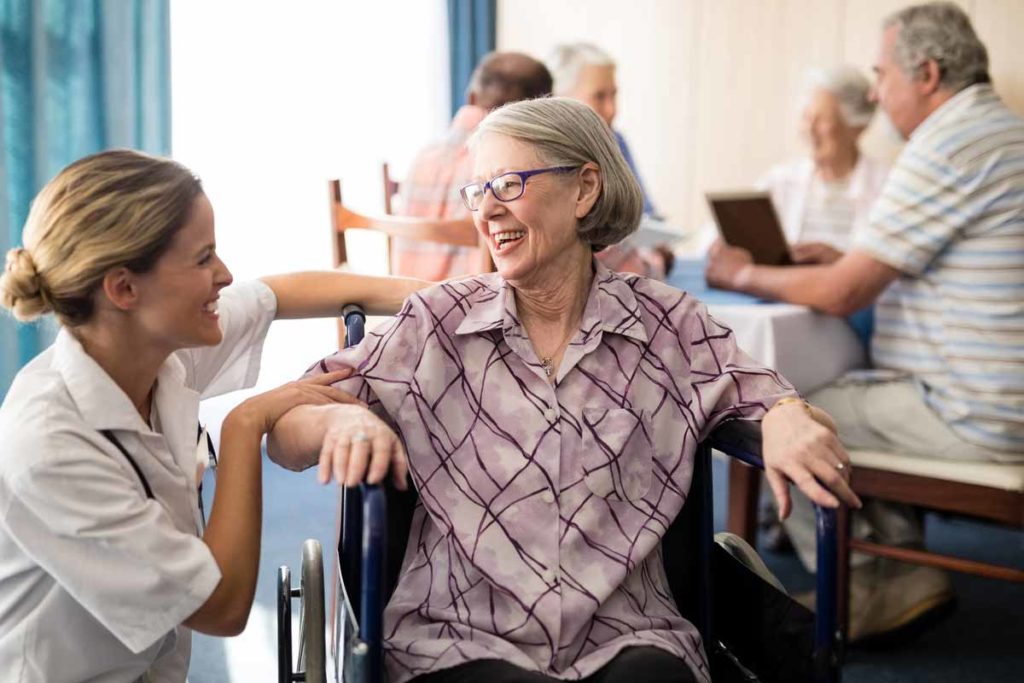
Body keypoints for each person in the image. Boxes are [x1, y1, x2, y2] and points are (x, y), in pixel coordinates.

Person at [268, 97, 861, 683]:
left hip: (629, 631)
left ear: (584, 190)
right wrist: (337, 423)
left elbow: (773, 401)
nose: (487, 211)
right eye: (478, 191)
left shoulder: (668, 325)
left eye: (508, 184)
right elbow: (286, 429)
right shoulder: (436, 325)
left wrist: (787, 412)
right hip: (460, 634)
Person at [0, 149, 429, 682]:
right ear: (124, 287)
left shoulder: (157, 348)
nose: (224, 275)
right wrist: (245, 425)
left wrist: (439, 298)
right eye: (203, 259)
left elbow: (278, 293)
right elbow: (222, 607)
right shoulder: (49, 448)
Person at [706, 1, 1024, 641]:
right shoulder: (999, 132)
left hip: (978, 412)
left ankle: (870, 583)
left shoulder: (947, 143)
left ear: (927, 74)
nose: (875, 92)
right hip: (997, 396)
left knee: (791, 416)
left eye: (882, 74)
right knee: (846, 394)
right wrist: (842, 259)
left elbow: (845, 292)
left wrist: (739, 275)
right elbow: (889, 265)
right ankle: (890, 574)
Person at [391, 51, 553, 280]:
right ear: (541, 109)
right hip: (473, 303)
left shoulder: (423, 155)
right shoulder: (512, 163)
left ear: (472, 98)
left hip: (406, 298)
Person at [548, 42, 674, 280]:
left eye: (614, 95)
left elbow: (646, 213)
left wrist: (658, 243)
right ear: (560, 97)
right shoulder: (544, 157)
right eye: (599, 96)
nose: (612, 109)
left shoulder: (616, 142)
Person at [757, 65, 890, 262]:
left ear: (858, 127)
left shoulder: (888, 186)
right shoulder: (780, 180)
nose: (810, 129)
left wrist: (841, 263)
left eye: (823, 120)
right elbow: (712, 241)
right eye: (807, 117)